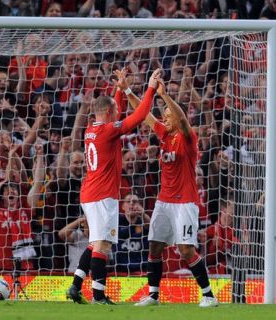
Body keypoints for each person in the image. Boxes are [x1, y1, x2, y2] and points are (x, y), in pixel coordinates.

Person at [114, 68, 219, 307]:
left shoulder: (188, 136)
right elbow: (143, 113)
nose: (165, 118)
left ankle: (208, 295)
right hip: (164, 201)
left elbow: (181, 118)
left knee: (185, 250)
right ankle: (153, 295)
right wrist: (127, 89)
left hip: (186, 202)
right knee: (155, 245)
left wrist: (164, 96)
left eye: (168, 115)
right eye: (165, 115)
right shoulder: (163, 133)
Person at [67, 69, 161, 305]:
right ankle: (98, 296)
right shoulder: (108, 131)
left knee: (94, 242)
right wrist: (149, 88)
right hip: (102, 195)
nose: (119, 112)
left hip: (89, 192)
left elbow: (112, 110)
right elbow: (139, 116)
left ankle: (75, 286)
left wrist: (119, 89)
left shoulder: (91, 130)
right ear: (109, 113)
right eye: (116, 111)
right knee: (103, 244)